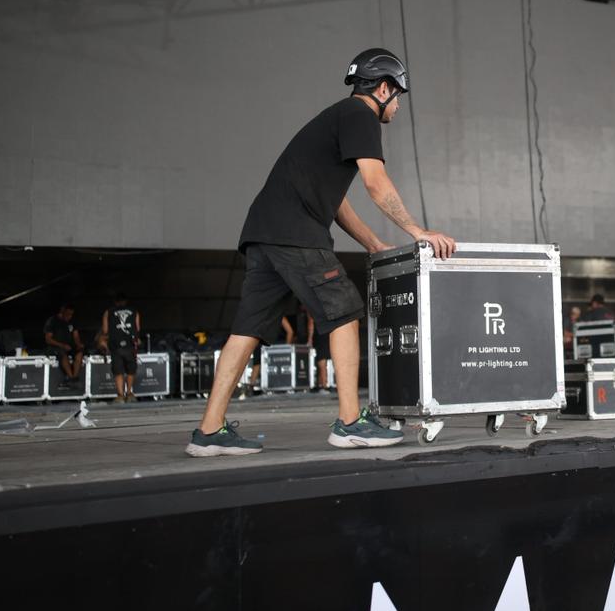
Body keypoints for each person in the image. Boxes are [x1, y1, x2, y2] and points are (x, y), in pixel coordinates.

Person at [186, 48, 456, 457]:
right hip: (296, 234)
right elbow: (375, 182)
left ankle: (209, 431)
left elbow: (338, 204)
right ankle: (350, 424)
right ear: (382, 89)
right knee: (344, 312)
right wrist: (418, 230)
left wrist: (374, 245)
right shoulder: (360, 115)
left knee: (246, 331)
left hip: (264, 233)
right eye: (397, 94)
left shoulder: (336, 121)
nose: (398, 104)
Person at [102, 293, 142, 402]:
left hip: (115, 345)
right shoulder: (134, 311)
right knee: (130, 370)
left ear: (115, 302)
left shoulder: (108, 312)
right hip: (130, 344)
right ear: (126, 301)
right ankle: (129, 393)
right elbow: (137, 328)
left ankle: (120, 395)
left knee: (118, 371)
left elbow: (105, 330)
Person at [44, 304, 83, 382]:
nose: (70, 316)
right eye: (68, 314)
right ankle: (70, 376)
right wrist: (62, 345)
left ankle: (75, 377)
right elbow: (48, 339)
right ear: (62, 311)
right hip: (56, 346)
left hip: (69, 346)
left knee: (79, 353)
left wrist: (79, 344)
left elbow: (76, 336)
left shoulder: (72, 321)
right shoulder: (53, 321)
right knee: (62, 354)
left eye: (71, 314)